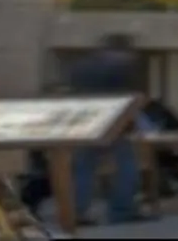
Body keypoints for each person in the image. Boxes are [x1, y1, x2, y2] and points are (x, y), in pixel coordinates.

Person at [58, 33, 146, 229]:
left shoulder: (81, 67)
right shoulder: (122, 68)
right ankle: (122, 210)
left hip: (85, 125)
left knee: (83, 169)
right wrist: (132, 123)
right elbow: (129, 98)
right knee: (126, 167)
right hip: (114, 124)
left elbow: (73, 94)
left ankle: (77, 212)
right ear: (123, 50)